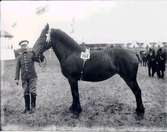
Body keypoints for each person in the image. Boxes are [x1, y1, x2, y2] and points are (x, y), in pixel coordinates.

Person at [15, 40, 44, 114]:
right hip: (24, 78)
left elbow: (39, 60)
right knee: (25, 92)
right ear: (21, 47)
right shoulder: (19, 57)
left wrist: (41, 56)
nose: (24, 47)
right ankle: (27, 108)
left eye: (25, 46)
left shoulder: (31, 54)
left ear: (27, 46)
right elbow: (17, 69)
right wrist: (17, 79)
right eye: (22, 46)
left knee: (32, 91)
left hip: (32, 77)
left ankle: (33, 108)